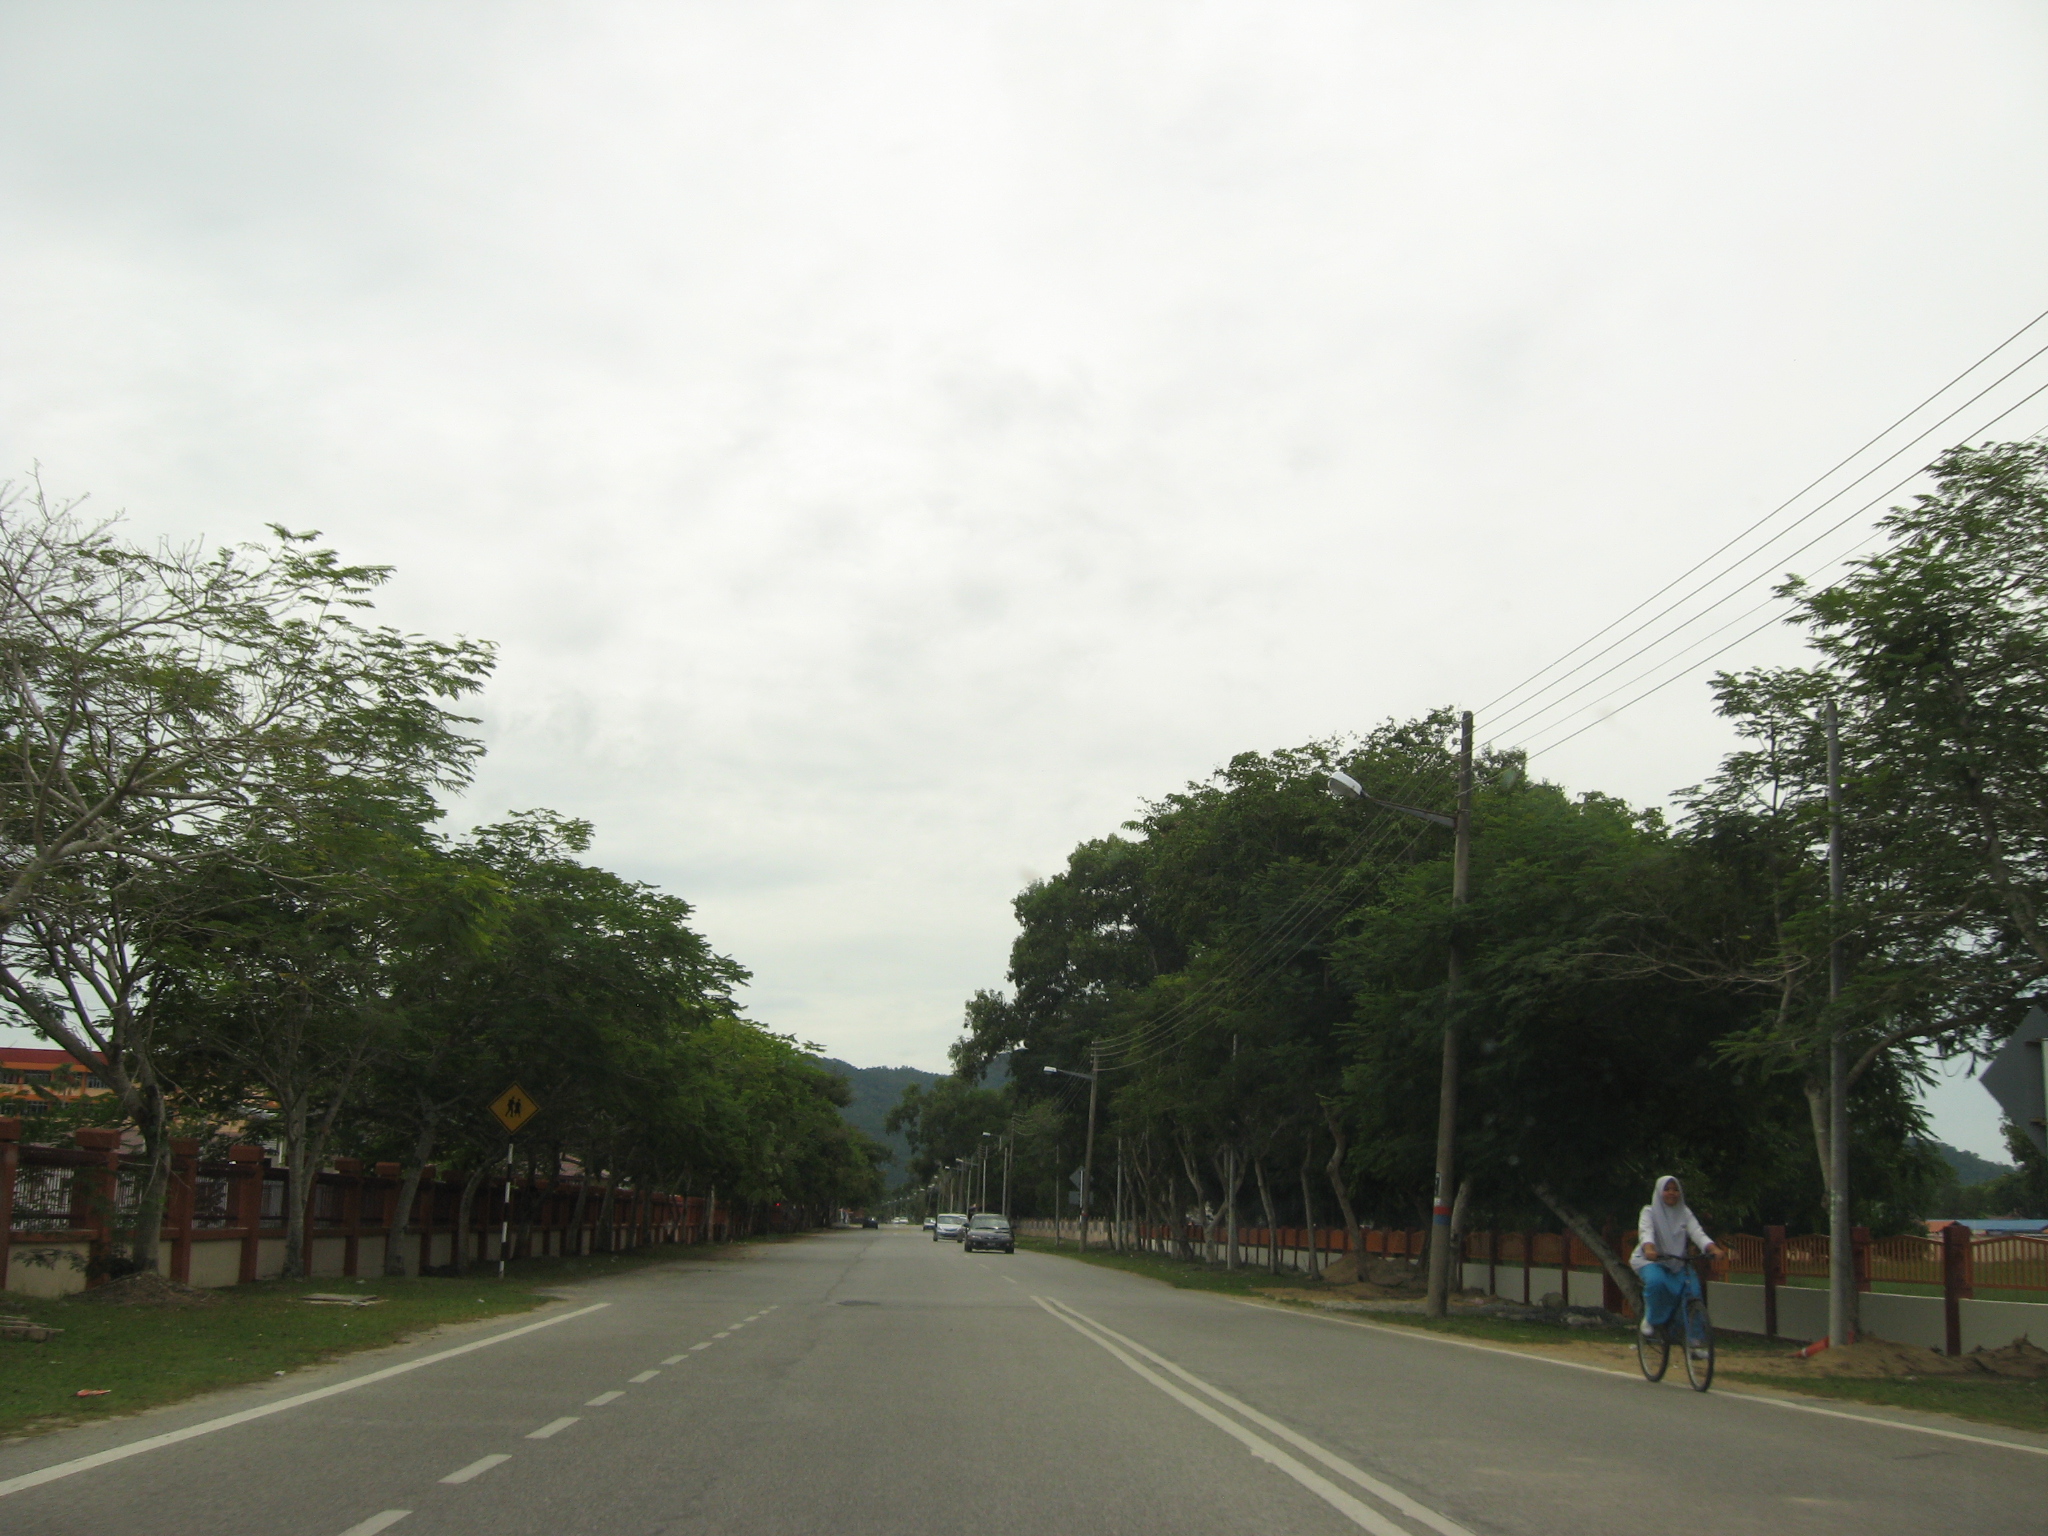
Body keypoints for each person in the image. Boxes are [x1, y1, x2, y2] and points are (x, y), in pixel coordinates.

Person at [1630, 1175, 1722, 1349]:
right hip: (1651, 1261)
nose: (1671, 1193)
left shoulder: (1684, 1213)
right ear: (1659, 1192)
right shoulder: (1649, 1212)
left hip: (1677, 1262)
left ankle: (1694, 1341)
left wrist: (1712, 1248)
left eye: (1675, 1189)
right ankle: (1651, 1319)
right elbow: (1646, 1232)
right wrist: (1649, 1248)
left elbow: (1697, 1233)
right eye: (1667, 1189)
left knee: (1693, 1292)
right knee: (1657, 1282)